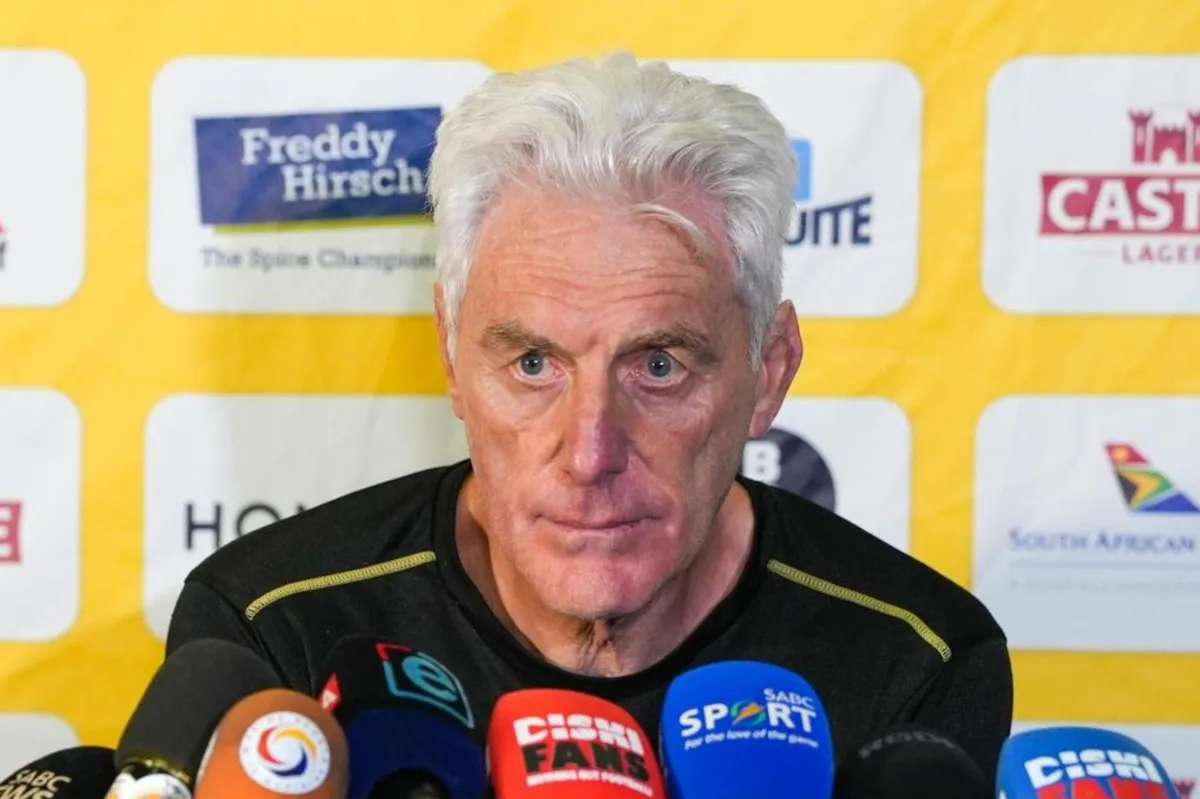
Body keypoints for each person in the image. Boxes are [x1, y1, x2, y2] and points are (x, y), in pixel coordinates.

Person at [167, 52, 1012, 778]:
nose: (590, 451)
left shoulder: (916, 661)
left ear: (768, 373)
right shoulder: (272, 628)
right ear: (453, 358)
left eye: (659, 365)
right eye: (534, 364)